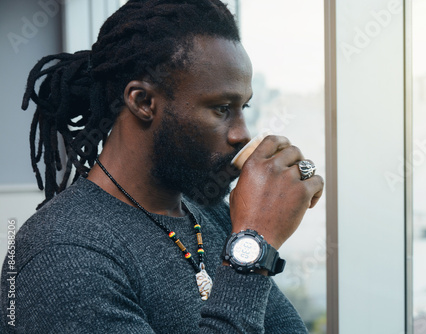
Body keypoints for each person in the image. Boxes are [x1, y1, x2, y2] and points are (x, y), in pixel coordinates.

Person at [0, 0, 324, 332]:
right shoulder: (64, 254)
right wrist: (254, 244)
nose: (243, 134)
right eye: (222, 108)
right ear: (143, 102)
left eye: (244, 107)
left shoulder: (209, 216)